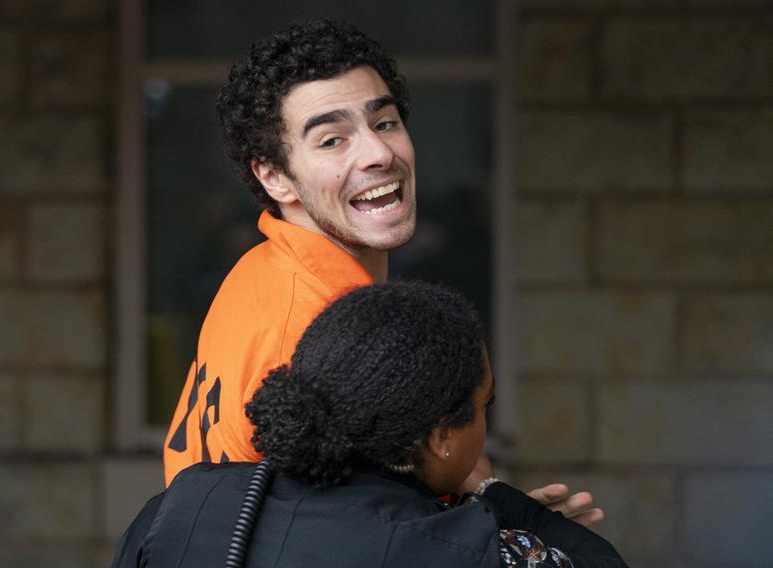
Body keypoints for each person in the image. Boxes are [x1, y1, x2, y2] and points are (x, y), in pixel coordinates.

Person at [162, 19, 602, 526]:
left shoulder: (267, 267)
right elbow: (352, 535)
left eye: (385, 122)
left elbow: (421, 457)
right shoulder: (318, 325)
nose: (378, 153)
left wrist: (503, 514)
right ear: (275, 176)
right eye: (332, 140)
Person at [116, 283, 627, 567]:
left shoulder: (182, 503)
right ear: (441, 436)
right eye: (483, 406)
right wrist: (497, 495)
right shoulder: (466, 553)